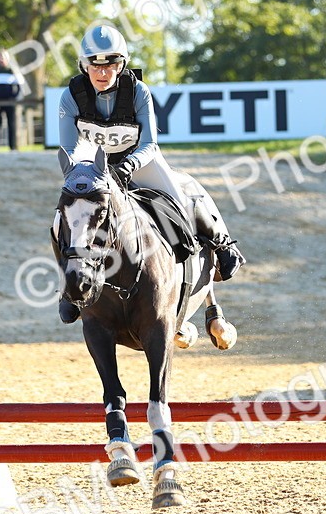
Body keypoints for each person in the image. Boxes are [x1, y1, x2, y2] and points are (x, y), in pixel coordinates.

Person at [56, 24, 245, 324]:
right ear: (85, 65)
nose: (102, 73)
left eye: (110, 66)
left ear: (120, 66)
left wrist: (128, 166)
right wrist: (92, 175)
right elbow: (68, 150)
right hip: (96, 171)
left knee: (180, 203)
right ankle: (69, 290)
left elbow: (150, 144)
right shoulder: (71, 97)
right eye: (95, 65)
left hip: (139, 163)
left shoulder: (137, 92)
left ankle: (221, 243)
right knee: (63, 222)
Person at [0, 50, 24, 150]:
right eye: (0, 57)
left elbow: (20, 84)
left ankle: (12, 147)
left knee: (11, 124)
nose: (1, 59)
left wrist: (14, 96)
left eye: (3, 57)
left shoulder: (12, 70)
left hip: (9, 102)